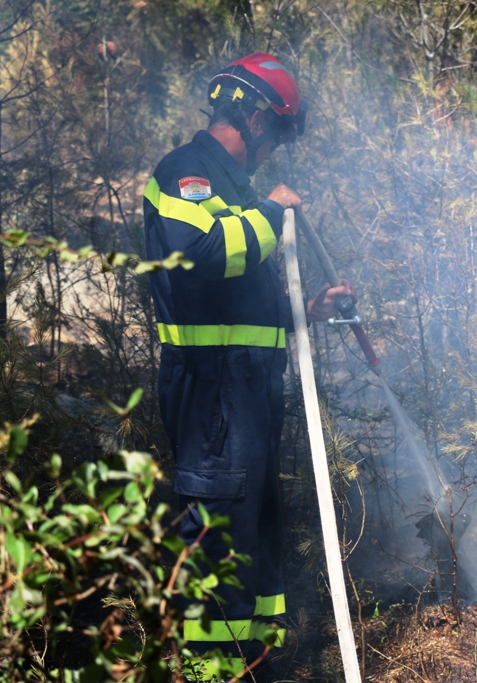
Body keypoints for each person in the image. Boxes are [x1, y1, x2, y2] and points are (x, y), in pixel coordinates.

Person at [143, 52, 355, 681]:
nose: (276, 150)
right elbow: (200, 255)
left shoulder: (233, 187)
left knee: (255, 531)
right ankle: (214, 671)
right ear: (260, 121)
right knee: (219, 535)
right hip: (213, 391)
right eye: (281, 134)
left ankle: (258, 665)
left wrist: (307, 313)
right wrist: (269, 212)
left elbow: (238, 304)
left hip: (248, 387)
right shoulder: (185, 172)